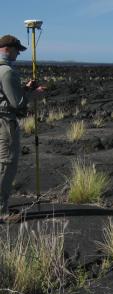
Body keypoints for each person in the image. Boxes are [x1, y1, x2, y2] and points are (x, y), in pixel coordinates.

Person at [0, 34, 42, 222]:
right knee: (6, 164)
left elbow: (7, 95)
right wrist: (34, 94)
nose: (18, 54)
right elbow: (17, 104)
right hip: (4, 123)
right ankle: (1, 211)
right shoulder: (7, 71)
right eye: (18, 50)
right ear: (8, 49)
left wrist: (24, 88)